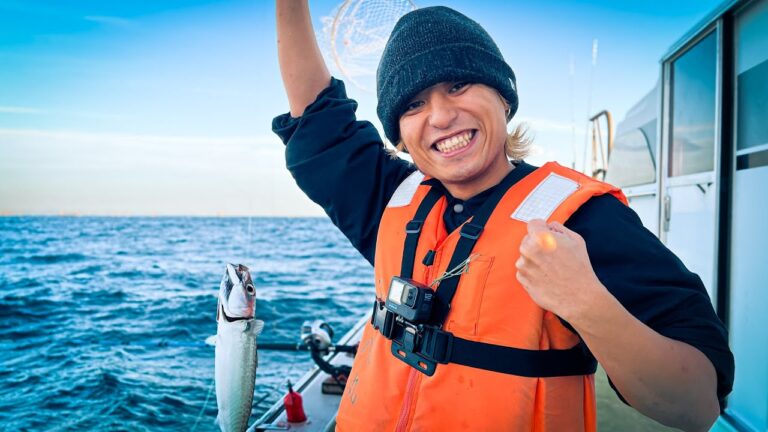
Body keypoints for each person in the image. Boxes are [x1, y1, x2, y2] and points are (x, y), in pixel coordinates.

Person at [273, 2, 734, 431]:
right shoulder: (387, 198)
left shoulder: (581, 220)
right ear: (399, 133)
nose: (441, 115)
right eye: (413, 104)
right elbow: (317, 115)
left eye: (457, 85)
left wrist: (587, 303)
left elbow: (696, 403)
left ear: (503, 98)